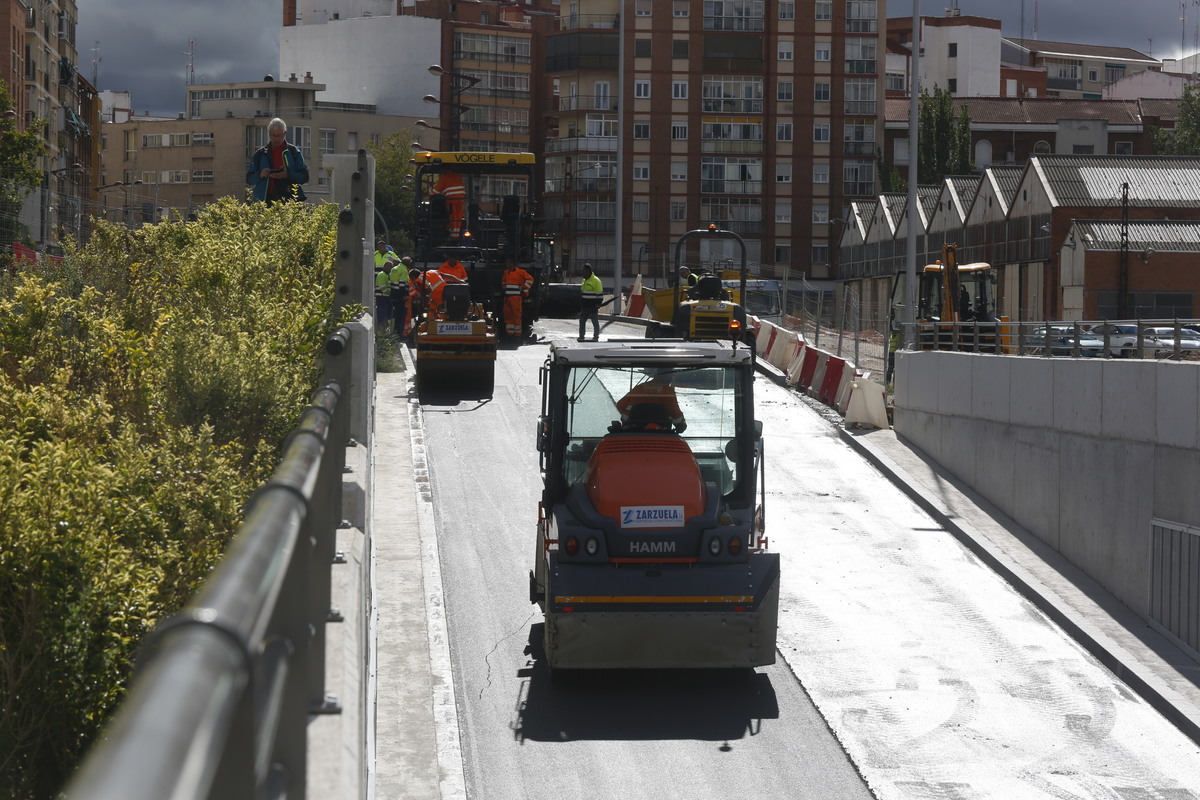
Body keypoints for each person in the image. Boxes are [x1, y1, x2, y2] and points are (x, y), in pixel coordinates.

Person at [247, 118, 309, 204]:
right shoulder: (260, 154)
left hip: (289, 199)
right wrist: (260, 174)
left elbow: (304, 177)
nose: (276, 139)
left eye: (280, 136)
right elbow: (249, 179)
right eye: (274, 135)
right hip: (265, 200)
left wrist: (288, 175)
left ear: (285, 133)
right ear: (269, 133)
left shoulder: (293, 152)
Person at [615, 370, 686, 433]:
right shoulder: (667, 392)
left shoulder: (639, 388)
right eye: (671, 376)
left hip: (633, 431)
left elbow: (620, 405)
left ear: (656, 375)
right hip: (661, 434)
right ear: (668, 377)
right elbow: (676, 413)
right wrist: (681, 425)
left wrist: (630, 419)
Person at [501, 257, 534, 340]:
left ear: (512, 264)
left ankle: (517, 335)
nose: (506, 264)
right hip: (508, 298)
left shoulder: (520, 272)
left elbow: (530, 279)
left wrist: (523, 287)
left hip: (516, 298)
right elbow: (504, 283)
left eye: (508, 262)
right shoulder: (506, 273)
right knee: (508, 316)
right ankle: (510, 334)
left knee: (516, 316)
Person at [429, 169, 467, 238]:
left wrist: (431, 196)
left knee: (452, 218)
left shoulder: (445, 177)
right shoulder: (458, 176)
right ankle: (456, 236)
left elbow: (435, 191)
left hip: (451, 200)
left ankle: (452, 237)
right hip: (460, 200)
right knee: (458, 218)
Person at [578, 262, 603, 342]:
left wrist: (599, 303)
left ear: (588, 271)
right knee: (582, 321)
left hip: (592, 306)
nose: (582, 272)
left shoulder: (596, 281)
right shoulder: (584, 280)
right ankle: (581, 336)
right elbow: (582, 292)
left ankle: (596, 337)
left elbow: (599, 294)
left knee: (595, 322)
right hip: (585, 305)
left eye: (584, 271)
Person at [390, 256, 411, 337]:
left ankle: (394, 333)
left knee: (395, 315)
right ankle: (399, 335)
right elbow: (402, 284)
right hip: (400, 296)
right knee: (400, 316)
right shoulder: (404, 270)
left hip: (393, 294)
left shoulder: (394, 268)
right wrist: (405, 295)